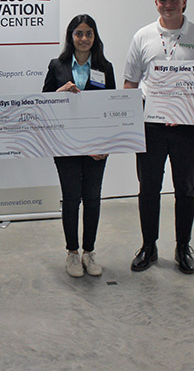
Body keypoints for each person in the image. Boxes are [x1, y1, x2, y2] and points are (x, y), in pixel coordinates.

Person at [124, 0, 194, 275]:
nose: (168, 6)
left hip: (187, 127)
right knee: (148, 188)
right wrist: (127, 121)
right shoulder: (142, 36)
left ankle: (182, 247)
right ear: (156, 3)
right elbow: (130, 82)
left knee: (186, 189)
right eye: (162, 0)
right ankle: (148, 247)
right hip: (150, 126)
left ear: (184, 1)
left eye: (174, 0)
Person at [43, 14, 116, 278]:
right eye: (78, 33)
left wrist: (107, 143)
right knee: (72, 199)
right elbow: (43, 102)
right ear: (70, 36)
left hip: (96, 145)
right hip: (66, 144)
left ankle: (89, 252)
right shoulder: (57, 65)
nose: (83, 39)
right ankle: (72, 253)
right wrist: (59, 93)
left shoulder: (105, 67)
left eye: (89, 33)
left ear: (95, 37)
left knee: (93, 199)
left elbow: (113, 106)